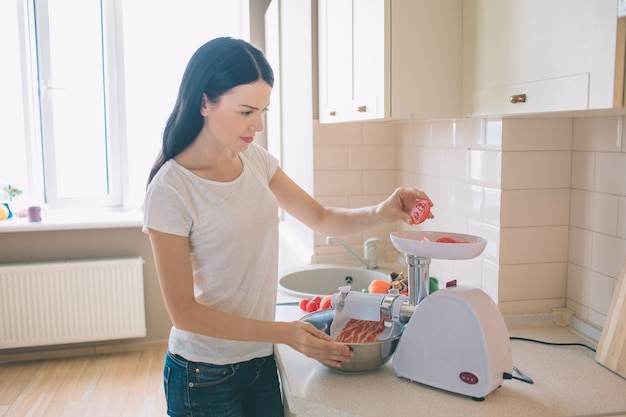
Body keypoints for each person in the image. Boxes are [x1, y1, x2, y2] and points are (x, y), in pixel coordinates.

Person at [143, 36, 433, 417]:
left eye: (263, 110)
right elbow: (184, 312)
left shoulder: (255, 161)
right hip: (202, 373)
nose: (258, 125)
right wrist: (286, 333)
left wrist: (384, 210)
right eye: (246, 111)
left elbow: (321, 217)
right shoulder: (172, 188)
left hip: (260, 360)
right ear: (204, 102)